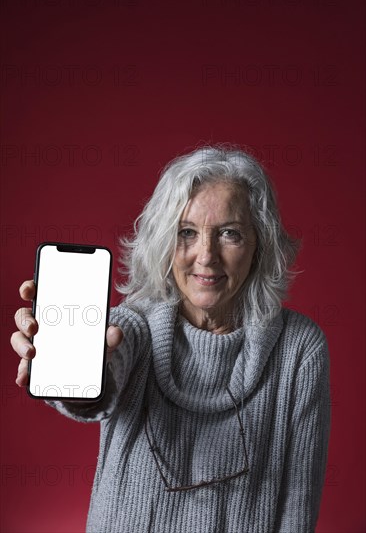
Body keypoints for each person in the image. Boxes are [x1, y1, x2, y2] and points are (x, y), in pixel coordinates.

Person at [11, 145, 331, 533]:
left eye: (229, 233)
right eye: (187, 233)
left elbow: (298, 506)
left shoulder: (300, 349)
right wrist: (64, 361)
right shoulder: (131, 327)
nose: (206, 255)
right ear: (164, 241)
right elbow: (98, 383)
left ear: (258, 244)